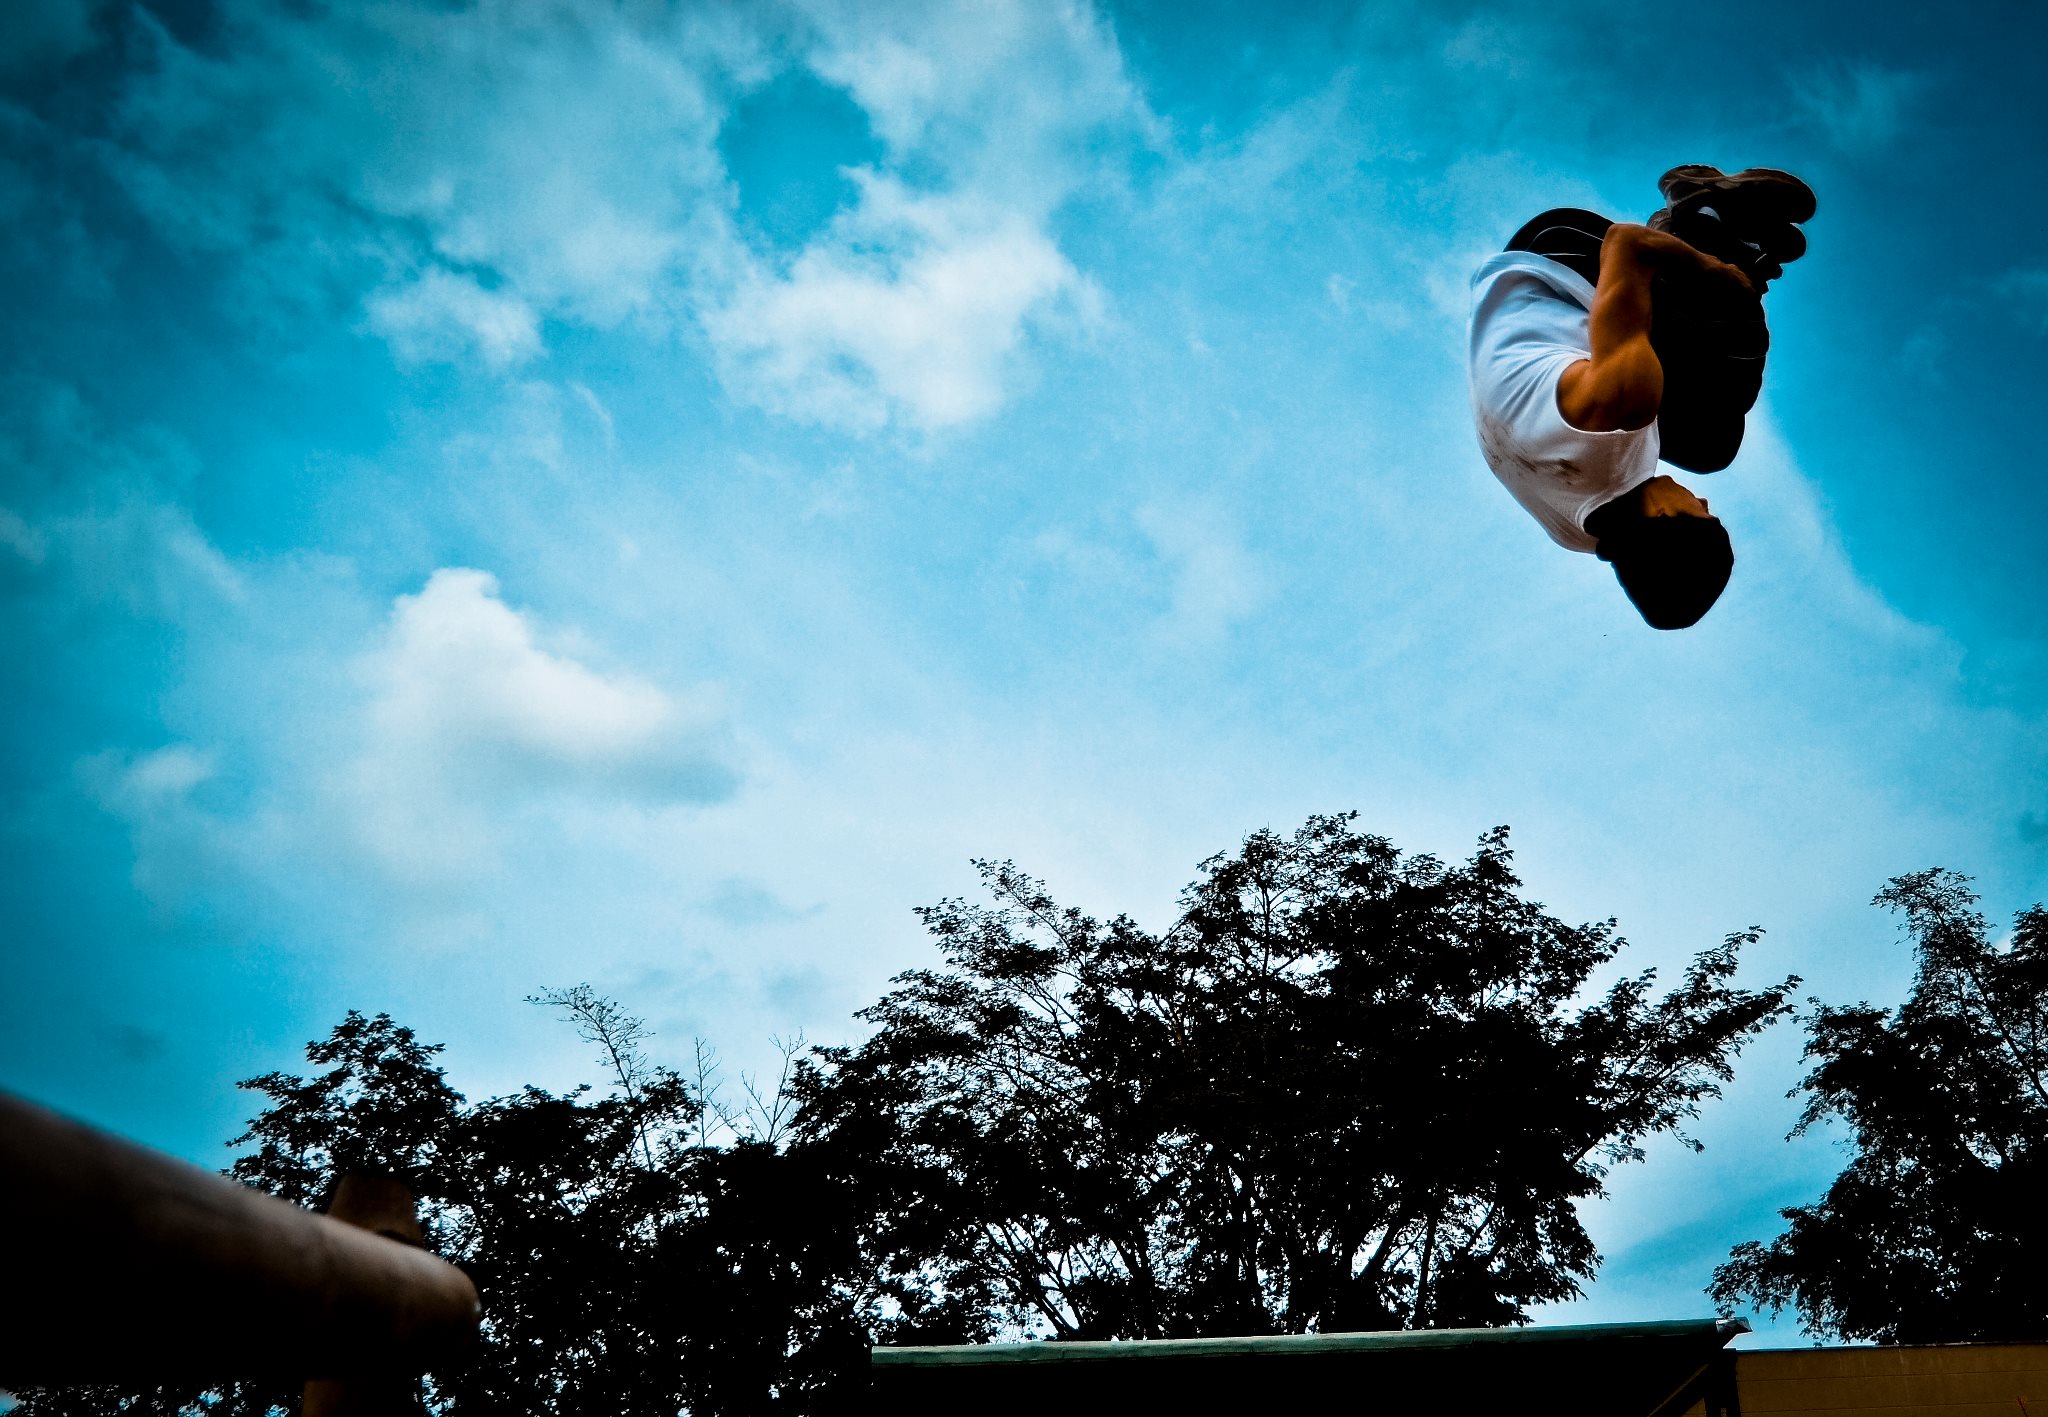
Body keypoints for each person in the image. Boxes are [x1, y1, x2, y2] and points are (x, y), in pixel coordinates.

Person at [1468, 165, 1816, 629]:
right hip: (1529, 324)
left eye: (1705, 515)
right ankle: (1717, 244)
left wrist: (1719, 275)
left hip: (1557, 253)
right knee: (1711, 445)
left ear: (1663, 514)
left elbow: (1628, 244)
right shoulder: (1582, 533)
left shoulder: (1619, 412)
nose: (1705, 503)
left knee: (1716, 355)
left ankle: (1706, 214)